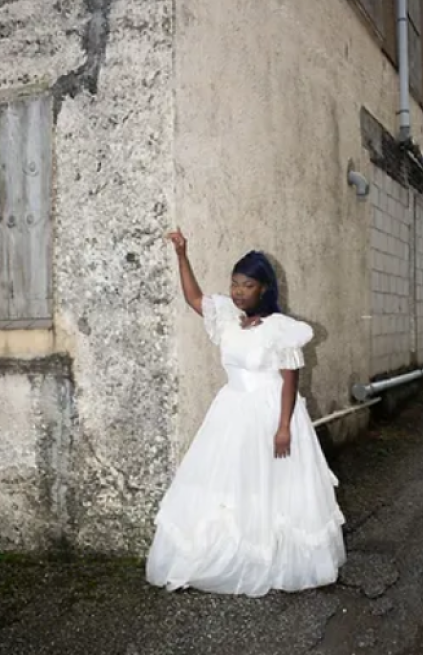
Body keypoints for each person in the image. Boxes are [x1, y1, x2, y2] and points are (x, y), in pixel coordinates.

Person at [145, 228, 346, 597]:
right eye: (235, 283)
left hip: (271, 412)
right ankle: (225, 554)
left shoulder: (283, 330)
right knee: (229, 484)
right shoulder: (225, 316)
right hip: (232, 409)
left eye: (247, 285)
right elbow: (193, 298)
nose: (238, 291)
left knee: (271, 486)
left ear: (264, 289)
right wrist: (182, 255)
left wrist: (283, 427)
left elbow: (290, 380)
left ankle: (270, 557)